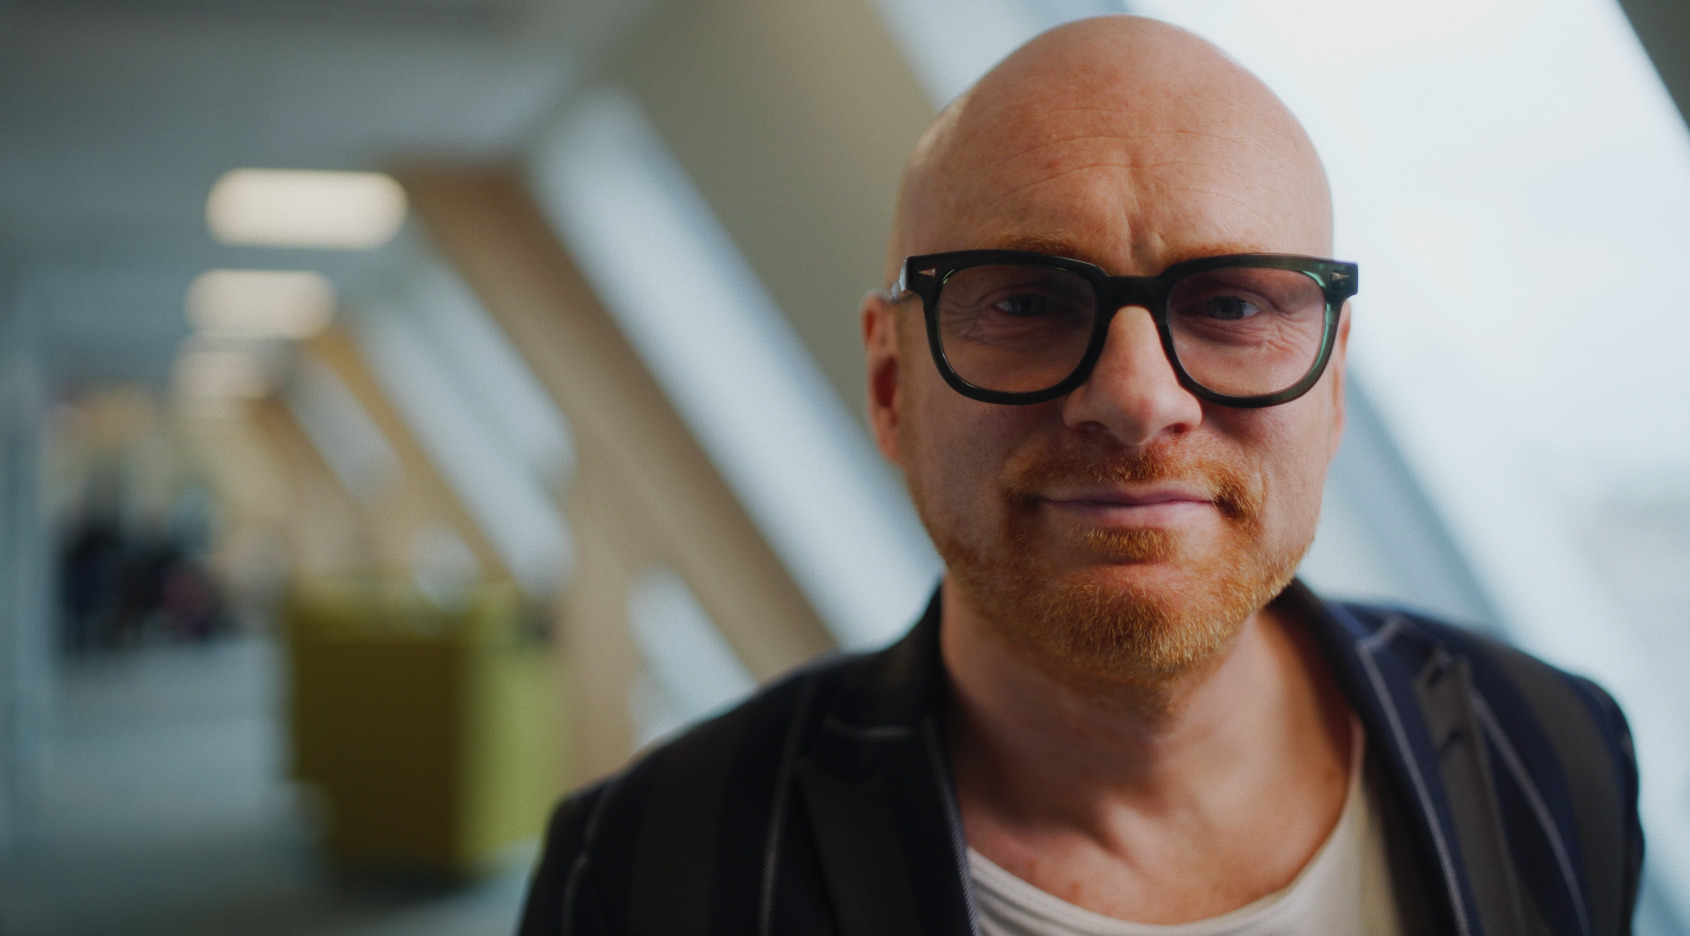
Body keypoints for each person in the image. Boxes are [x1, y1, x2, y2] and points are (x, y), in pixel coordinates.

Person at [518, 15, 1642, 936]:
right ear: (889, 386)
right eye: (1024, 301)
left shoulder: (1550, 748)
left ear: (1332, 387)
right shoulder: (649, 871)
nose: (1138, 397)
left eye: (1234, 304)